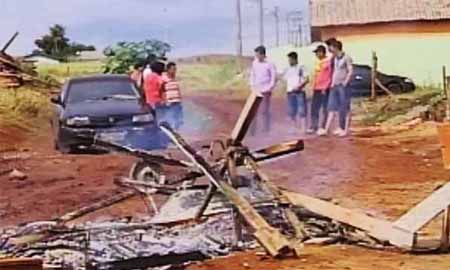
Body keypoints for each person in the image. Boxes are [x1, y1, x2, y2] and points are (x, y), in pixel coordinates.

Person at [323, 40, 354, 137]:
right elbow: (334, 71)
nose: (329, 49)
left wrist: (345, 82)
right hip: (334, 85)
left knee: (345, 108)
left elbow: (350, 71)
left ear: (336, 47)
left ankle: (345, 129)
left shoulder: (346, 57)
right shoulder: (334, 58)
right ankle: (326, 129)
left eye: (330, 47)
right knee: (331, 107)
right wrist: (332, 83)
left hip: (343, 86)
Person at [249, 45, 277, 134]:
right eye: (256, 55)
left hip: (266, 90)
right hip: (256, 90)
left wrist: (270, 87)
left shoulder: (270, 63)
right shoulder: (254, 63)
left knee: (264, 111)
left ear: (262, 54)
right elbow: (252, 75)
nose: (256, 56)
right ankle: (253, 130)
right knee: (253, 111)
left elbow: (273, 77)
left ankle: (265, 130)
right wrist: (252, 86)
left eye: (258, 54)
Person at [283, 51, 309, 134]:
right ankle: (293, 128)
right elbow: (285, 79)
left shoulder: (301, 67)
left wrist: (299, 86)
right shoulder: (287, 69)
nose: (289, 61)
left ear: (294, 59)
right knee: (291, 111)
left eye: (290, 59)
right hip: (290, 92)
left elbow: (306, 79)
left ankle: (303, 128)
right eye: (288, 60)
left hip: (299, 92)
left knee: (302, 110)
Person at [309, 45, 332, 135]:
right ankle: (314, 126)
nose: (316, 54)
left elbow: (330, 76)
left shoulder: (328, 62)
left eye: (317, 52)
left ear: (322, 52)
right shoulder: (317, 62)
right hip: (317, 88)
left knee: (325, 108)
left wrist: (326, 87)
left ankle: (323, 127)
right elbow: (316, 75)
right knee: (314, 108)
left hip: (325, 88)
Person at [163, 62, 183, 130]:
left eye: (175, 69)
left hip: (177, 101)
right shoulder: (163, 79)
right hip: (169, 102)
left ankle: (176, 131)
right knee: (170, 119)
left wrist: (180, 99)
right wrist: (165, 101)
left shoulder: (175, 79)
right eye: (173, 69)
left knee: (177, 119)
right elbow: (162, 91)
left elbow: (178, 90)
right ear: (168, 69)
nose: (174, 71)